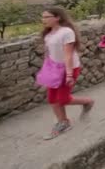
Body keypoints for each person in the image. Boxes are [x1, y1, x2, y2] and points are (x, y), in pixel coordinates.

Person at [40, 7, 94, 140]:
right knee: (52, 98)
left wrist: (69, 74)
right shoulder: (48, 34)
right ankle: (63, 122)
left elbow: (68, 55)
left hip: (69, 68)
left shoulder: (66, 32)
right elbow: (48, 53)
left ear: (57, 17)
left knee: (63, 99)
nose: (43, 20)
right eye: (43, 17)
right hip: (53, 68)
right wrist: (46, 68)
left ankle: (88, 101)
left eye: (47, 17)